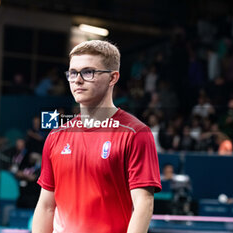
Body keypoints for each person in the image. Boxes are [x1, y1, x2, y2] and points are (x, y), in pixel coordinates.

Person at [33, 40, 162, 233]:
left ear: (113, 78)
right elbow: (46, 206)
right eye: (73, 73)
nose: (77, 80)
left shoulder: (136, 134)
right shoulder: (56, 136)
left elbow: (143, 203)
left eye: (88, 72)